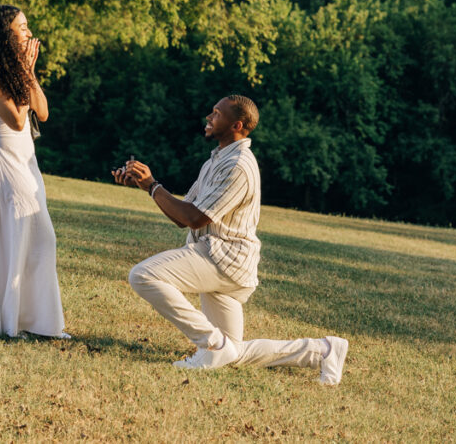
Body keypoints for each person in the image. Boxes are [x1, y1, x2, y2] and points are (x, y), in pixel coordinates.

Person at [113, 95, 348, 384]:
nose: (209, 118)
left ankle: (211, 344)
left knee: (143, 275)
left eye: (216, 114)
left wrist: (153, 185)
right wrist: (146, 187)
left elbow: (196, 219)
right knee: (233, 353)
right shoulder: (216, 160)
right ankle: (323, 350)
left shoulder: (238, 165)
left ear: (236, 124)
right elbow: (182, 215)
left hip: (223, 259)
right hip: (219, 258)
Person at [0, 5, 68, 339]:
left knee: (33, 238)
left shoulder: (14, 73)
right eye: (22, 27)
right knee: (23, 237)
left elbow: (44, 112)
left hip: (25, 160)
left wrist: (29, 74)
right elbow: (17, 120)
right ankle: (11, 318)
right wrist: (24, 71)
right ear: (4, 35)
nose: (28, 32)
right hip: (3, 163)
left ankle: (33, 319)